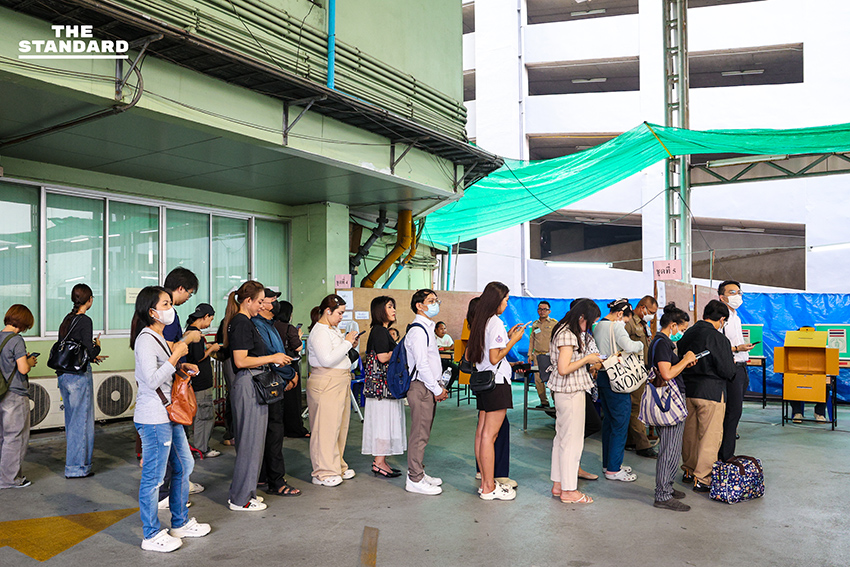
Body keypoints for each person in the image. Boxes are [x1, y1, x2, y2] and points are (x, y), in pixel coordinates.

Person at [131, 287, 210, 552]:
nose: (170, 308)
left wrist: (181, 367)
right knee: (153, 477)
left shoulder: (159, 337)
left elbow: (163, 373)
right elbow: (151, 379)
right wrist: (176, 356)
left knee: (184, 465)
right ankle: (151, 534)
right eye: (165, 303)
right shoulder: (145, 339)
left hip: (169, 414)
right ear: (151, 311)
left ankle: (180, 522)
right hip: (154, 417)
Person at [222, 281, 290, 510]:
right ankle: (240, 498)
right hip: (249, 383)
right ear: (247, 300)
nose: (262, 306)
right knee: (249, 443)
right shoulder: (241, 323)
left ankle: (247, 492)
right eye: (259, 302)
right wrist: (272, 358)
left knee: (254, 442)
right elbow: (241, 360)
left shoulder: (245, 322)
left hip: (254, 383)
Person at [467, 282, 524, 501]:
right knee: (489, 437)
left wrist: (506, 338)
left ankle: (485, 483)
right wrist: (513, 341)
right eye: (506, 300)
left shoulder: (481, 322)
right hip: (497, 384)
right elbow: (495, 357)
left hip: (484, 383)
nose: (507, 304)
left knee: (482, 434)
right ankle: (490, 487)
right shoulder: (496, 322)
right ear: (497, 300)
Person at [678, 300, 737, 492]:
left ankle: (688, 470)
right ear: (721, 319)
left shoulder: (688, 334)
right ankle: (702, 478)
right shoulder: (718, 338)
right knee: (710, 437)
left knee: (690, 434)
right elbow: (728, 370)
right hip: (711, 392)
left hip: (688, 390)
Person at [548, 298, 603, 504]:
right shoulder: (567, 334)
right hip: (570, 392)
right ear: (582, 317)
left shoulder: (564, 330)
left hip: (567, 391)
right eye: (589, 322)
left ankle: (559, 484)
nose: (590, 326)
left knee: (562, 440)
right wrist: (587, 360)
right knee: (571, 442)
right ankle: (569, 491)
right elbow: (564, 368)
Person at [157, 267, 204, 508]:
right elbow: (168, 350)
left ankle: (176, 486)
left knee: (174, 447)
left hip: (165, 384)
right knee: (173, 446)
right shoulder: (167, 315)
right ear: (181, 288)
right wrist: (189, 339)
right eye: (190, 293)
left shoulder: (161, 316)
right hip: (165, 388)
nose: (187, 299)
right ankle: (168, 492)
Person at [647, 303, 697, 512]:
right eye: (682, 329)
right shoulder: (662, 344)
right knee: (669, 448)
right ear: (673, 325)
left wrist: (684, 362)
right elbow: (666, 374)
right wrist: (685, 360)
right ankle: (663, 495)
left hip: (669, 399)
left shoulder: (663, 343)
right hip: (668, 401)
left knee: (672, 447)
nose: (682, 333)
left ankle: (666, 486)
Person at [306, 294, 360, 487]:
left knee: (339, 427)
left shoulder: (333, 329)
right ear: (327, 311)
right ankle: (322, 471)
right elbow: (327, 359)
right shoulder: (320, 331)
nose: (341, 317)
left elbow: (338, 354)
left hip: (340, 380)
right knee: (325, 429)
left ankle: (337, 465)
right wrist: (346, 342)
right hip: (326, 381)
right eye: (339, 313)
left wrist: (348, 344)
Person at [253, 288, 301, 497]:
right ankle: (276, 481)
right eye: (271, 299)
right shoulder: (258, 326)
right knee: (273, 432)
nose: (274, 303)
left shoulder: (269, 325)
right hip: (268, 382)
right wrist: (290, 375)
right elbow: (273, 355)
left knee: (272, 432)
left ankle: (266, 475)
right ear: (261, 304)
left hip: (275, 379)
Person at [55, 284, 105, 479]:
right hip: (78, 377)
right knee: (82, 423)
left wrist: (92, 356)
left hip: (63, 375)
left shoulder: (67, 320)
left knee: (72, 421)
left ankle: (73, 465)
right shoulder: (85, 320)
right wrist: (97, 349)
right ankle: (77, 468)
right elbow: (87, 350)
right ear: (89, 299)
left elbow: (72, 350)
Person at [592, 298, 644, 482]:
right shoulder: (616, 326)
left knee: (609, 423)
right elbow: (629, 346)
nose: (625, 323)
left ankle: (609, 463)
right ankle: (613, 470)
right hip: (618, 378)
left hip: (604, 376)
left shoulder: (598, 326)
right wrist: (641, 344)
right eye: (626, 319)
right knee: (620, 423)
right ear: (621, 314)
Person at [404, 289, 448, 495]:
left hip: (428, 386)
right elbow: (421, 365)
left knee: (424, 433)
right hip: (421, 387)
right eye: (430, 301)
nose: (435, 304)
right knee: (419, 435)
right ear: (419, 306)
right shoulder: (418, 331)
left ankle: (419, 471)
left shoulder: (427, 328)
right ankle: (414, 478)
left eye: (436, 300)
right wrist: (437, 388)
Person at [361, 296, 406, 479]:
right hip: (381, 389)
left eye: (393, 306)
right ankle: (379, 462)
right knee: (382, 424)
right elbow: (382, 357)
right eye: (389, 306)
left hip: (384, 389)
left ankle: (381, 461)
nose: (394, 310)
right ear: (380, 310)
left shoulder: (383, 331)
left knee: (385, 424)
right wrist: (400, 350)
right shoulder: (379, 331)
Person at [0, 304, 37, 489]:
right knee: (15, 437)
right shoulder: (16, 340)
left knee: (2, 437)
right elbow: (23, 368)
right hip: (14, 393)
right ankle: (9, 479)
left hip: (0, 393)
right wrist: (29, 361)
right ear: (22, 323)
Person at [717, 280, 757, 454]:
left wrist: (742, 348)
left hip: (742, 365)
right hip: (731, 368)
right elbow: (717, 345)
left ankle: (727, 451)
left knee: (736, 412)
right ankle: (725, 456)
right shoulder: (722, 318)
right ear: (722, 297)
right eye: (733, 293)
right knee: (731, 413)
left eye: (739, 292)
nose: (738, 296)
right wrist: (735, 349)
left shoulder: (736, 317)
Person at [624, 295, 659, 458]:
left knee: (638, 406)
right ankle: (642, 445)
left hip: (643, 370)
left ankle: (631, 441)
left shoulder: (643, 324)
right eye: (651, 311)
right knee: (636, 407)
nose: (652, 315)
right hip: (632, 370)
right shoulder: (629, 323)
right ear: (642, 307)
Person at [185, 303, 220, 458]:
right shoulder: (195, 334)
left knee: (201, 415)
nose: (210, 323)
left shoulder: (189, 331)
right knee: (204, 416)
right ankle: (202, 448)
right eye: (210, 319)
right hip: (201, 384)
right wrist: (212, 349)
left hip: (195, 383)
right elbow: (198, 357)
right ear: (205, 317)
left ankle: (199, 446)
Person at [272, 300, 310, 438]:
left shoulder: (271, 326)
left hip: (274, 365)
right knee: (292, 400)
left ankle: (279, 429)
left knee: (277, 400)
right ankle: (294, 429)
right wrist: (298, 336)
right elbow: (298, 347)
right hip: (289, 365)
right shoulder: (289, 328)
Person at [528, 301, 557, 411]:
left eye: (545, 309)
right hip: (537, 356)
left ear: (549, 311)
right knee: (538, 380)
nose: (542, 311)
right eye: (540, 309)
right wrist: (530, 354)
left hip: (550, 356)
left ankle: (556, 401)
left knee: (553, 379)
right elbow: (532, 340)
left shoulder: (554, 324)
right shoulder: (535, 324)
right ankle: (544, 402)